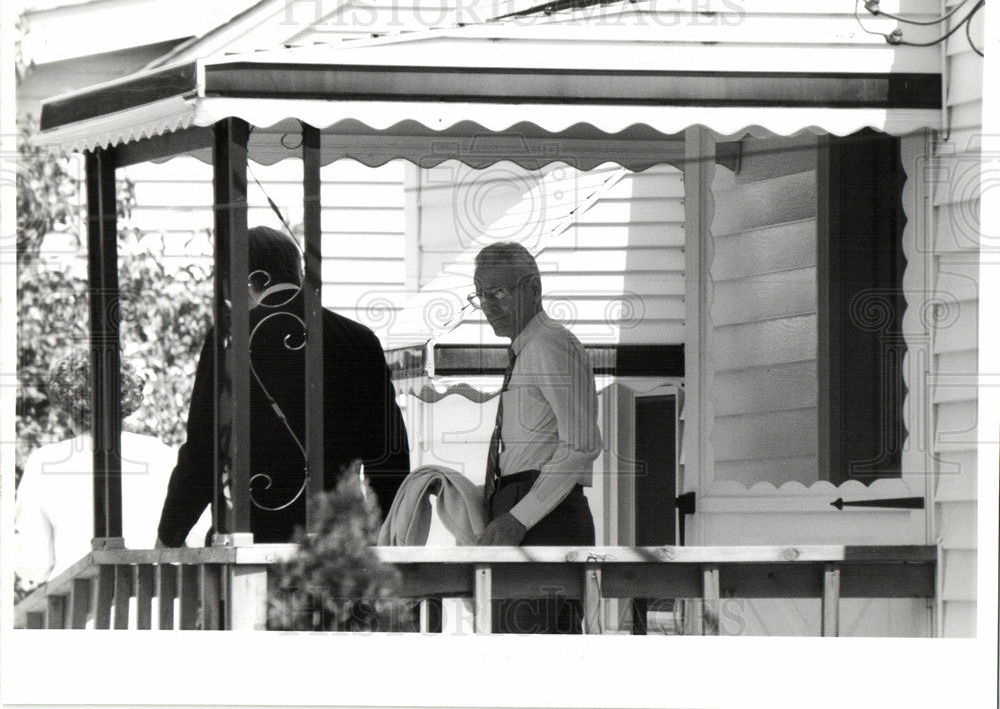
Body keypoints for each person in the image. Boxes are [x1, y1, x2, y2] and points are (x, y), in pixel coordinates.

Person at [157, 226, 410, 546]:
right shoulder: (358, 340)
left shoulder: (229, 339)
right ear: (298, 273)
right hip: (335, 545)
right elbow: (389, 455)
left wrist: (170, 534)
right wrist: (382, 537)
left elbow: (204, 450)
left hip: (251, 544)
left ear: (246, 280)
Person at [470, 241, 603, 633]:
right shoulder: (525, 350)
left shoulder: (550, 344)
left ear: (533, 290)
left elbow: (582, 445)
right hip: (523, 510)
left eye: (497, 292)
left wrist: (518, 517)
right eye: (479, 294)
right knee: (512, 654)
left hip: (545, 517)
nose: (487, 305)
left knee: (539, 661)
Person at [13, 350, 210, 588]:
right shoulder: (162, 454)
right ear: (124, 402)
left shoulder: (43, 462)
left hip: (77, 616)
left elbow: (33, 565)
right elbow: (200, 539)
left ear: (67, 408)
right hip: (159, 613)